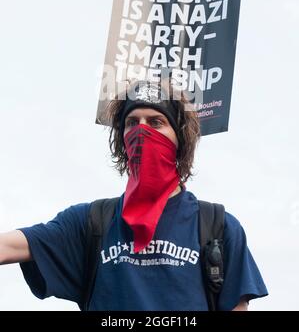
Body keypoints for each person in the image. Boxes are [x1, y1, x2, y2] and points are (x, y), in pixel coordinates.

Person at [0, 79, 268, 311]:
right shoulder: (91, 222)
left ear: (180, 139)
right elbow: (9, 246)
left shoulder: (218, 226)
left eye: (156, 122)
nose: (142, 131)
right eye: (132, 122)